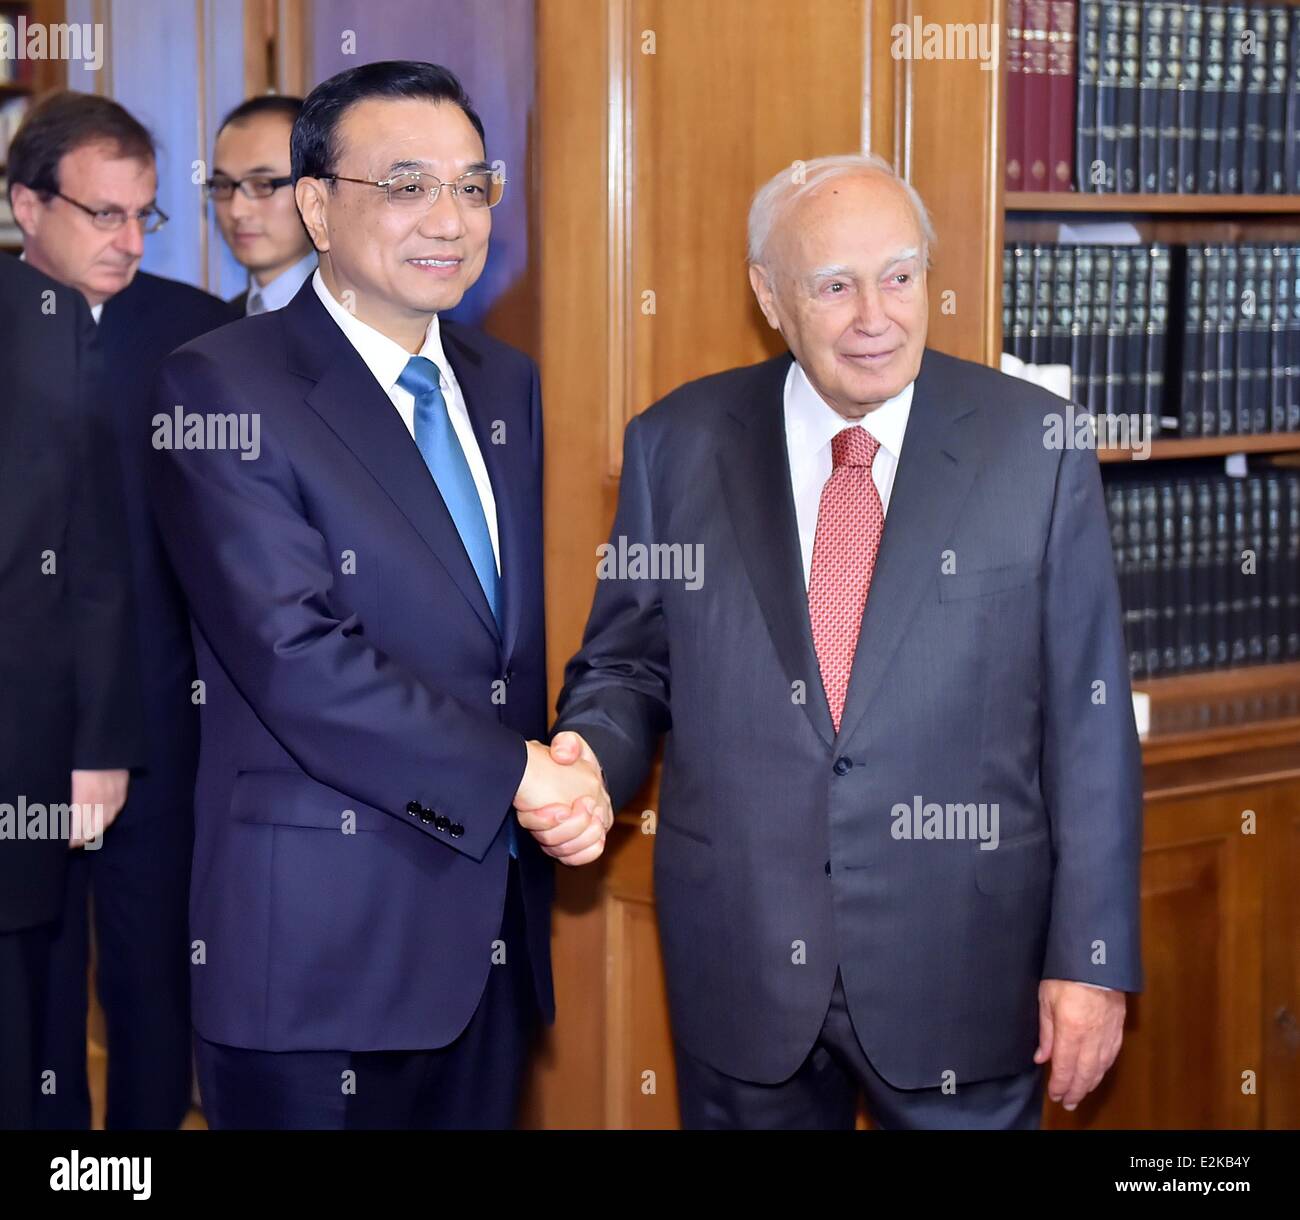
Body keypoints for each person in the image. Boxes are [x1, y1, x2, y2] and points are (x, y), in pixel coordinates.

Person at [545, 153, 1143, 1130]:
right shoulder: (677, 442)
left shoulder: (1035, 445)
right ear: (768, 295)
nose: (877, 316)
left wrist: (1091, 959)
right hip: (740, 953)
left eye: (899, 275)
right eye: (834, 285)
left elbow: (1088, 721)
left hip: (963, 962)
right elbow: (627, 660)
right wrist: (589, 757)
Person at [147, 60, 611, 1130]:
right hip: (317, 953)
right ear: (316, 204)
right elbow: (296, 656)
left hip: (486, 937)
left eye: (471, 184)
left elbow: (500, 643)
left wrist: (578, 749)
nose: (449, 218)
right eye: (405, 185)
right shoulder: (220, 384)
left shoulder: (506, 382)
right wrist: (520, 776)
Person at [8, 90, 236, 1129]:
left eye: (146, 213)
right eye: (103, 213)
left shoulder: (198, 334)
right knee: (34, 978)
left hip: (163, 716)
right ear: (25, 205)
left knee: (153, 975)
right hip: (18, 730)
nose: (129, 240)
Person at [0, 253, 140, 1129]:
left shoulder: (42, 312)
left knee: (21, 1018)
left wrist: (99, 748)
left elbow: (93, 554)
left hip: (19, 745)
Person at [207, 94, 317, 315]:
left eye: (262, 185)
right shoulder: (217, 322)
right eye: (223, 185)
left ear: (315, 192)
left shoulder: (359, 318)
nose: (237, 211)